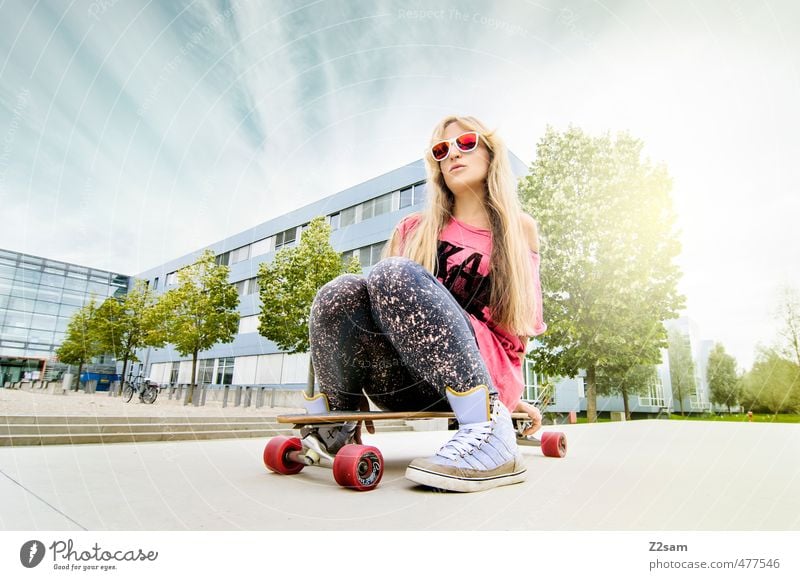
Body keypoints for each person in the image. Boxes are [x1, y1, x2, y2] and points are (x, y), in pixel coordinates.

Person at [305, 115, 547, 492]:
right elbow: (373, 311)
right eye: (441, 150)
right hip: (407, 379)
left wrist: (506, 398)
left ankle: (490, 431)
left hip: (479, 374)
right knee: (343, 290)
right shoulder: (412, 229)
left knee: (392, 274)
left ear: (490, 151)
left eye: (465, 143)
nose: (452, 154)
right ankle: (337, 427)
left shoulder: (518, 228)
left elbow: (522, 326)